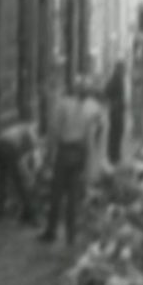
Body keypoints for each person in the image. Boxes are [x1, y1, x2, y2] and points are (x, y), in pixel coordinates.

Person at [40, 77, 96, 245]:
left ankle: (51, 231)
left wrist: (49, 155)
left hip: (64, 152)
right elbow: (88, 137)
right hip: (79, 152)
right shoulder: (87, 109)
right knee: (73, 195)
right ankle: (71, 235)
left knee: (56, 193)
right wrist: (86, 161)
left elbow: (54, 131)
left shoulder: (62, 104)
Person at [0, 121, 39, 225]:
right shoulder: (30, 131)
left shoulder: (18, 129)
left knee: (2, 179)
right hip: (8, 147)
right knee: (20, 182)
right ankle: (30, 215)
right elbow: (31, 156)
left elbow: (23, 155)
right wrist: (30, 175)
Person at [104, 60, 127, 165]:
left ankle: (115, 155)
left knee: (117, 132)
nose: (124, 71)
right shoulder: (115, 80)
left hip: (118, 110)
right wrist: (115, 102)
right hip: (116, 111)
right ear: (118, 69)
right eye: (123, 69)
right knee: (115, 133)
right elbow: (106, 91)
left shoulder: (119, 79)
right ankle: (113, 156)